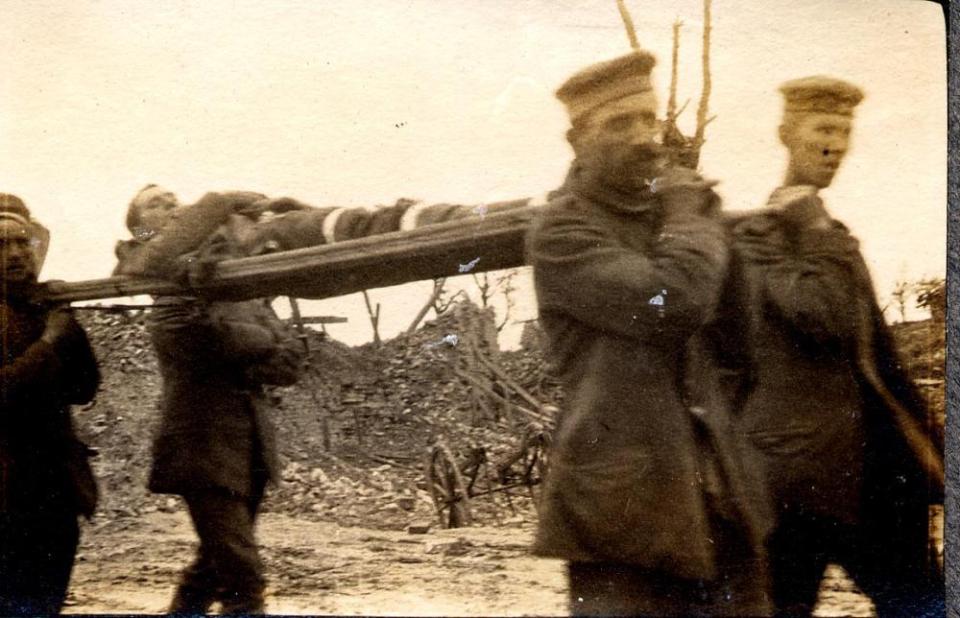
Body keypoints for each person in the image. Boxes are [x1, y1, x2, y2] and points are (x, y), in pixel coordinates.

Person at [526, 51, 773, 616]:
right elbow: (673, 302)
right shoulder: (562, 230)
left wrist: (704, 226)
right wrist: (691, 218)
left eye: (650, 118)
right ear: (576, 142)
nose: (644, 137)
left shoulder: (676, 215)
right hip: (622, 512)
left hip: (718, 497)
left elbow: (742, 342)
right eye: (620, 123)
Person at [718, 76, 944, 616]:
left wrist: (927, 442)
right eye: (822, 128)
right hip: (795, 487)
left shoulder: (828, 232)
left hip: (875, 478)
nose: (835, 144)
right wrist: (813, 226)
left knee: (926, 606)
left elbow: (880, 355)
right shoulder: (756, 239)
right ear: (785, 135)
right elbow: (820, 315)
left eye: (844, 131)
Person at [120, 187, 306, 614]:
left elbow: (290, 362)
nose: (172, 206)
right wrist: (261, 344)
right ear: (139, 227)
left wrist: (254, 348)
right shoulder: (168, 295)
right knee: (243, 574)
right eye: (156, 203)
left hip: (251, 449)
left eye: (174, 199)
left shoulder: (232, 287)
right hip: (201, 450)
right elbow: (200, 341)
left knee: (212, 567)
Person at [0, 194, 100, 615]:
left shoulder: (44, 310)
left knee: (45, 602)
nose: (15, 254)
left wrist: (67, 328)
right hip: (4, 490)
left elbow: (84, 388)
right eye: (1, 245)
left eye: (22, 243)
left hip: (52, 486)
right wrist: (49, 343)